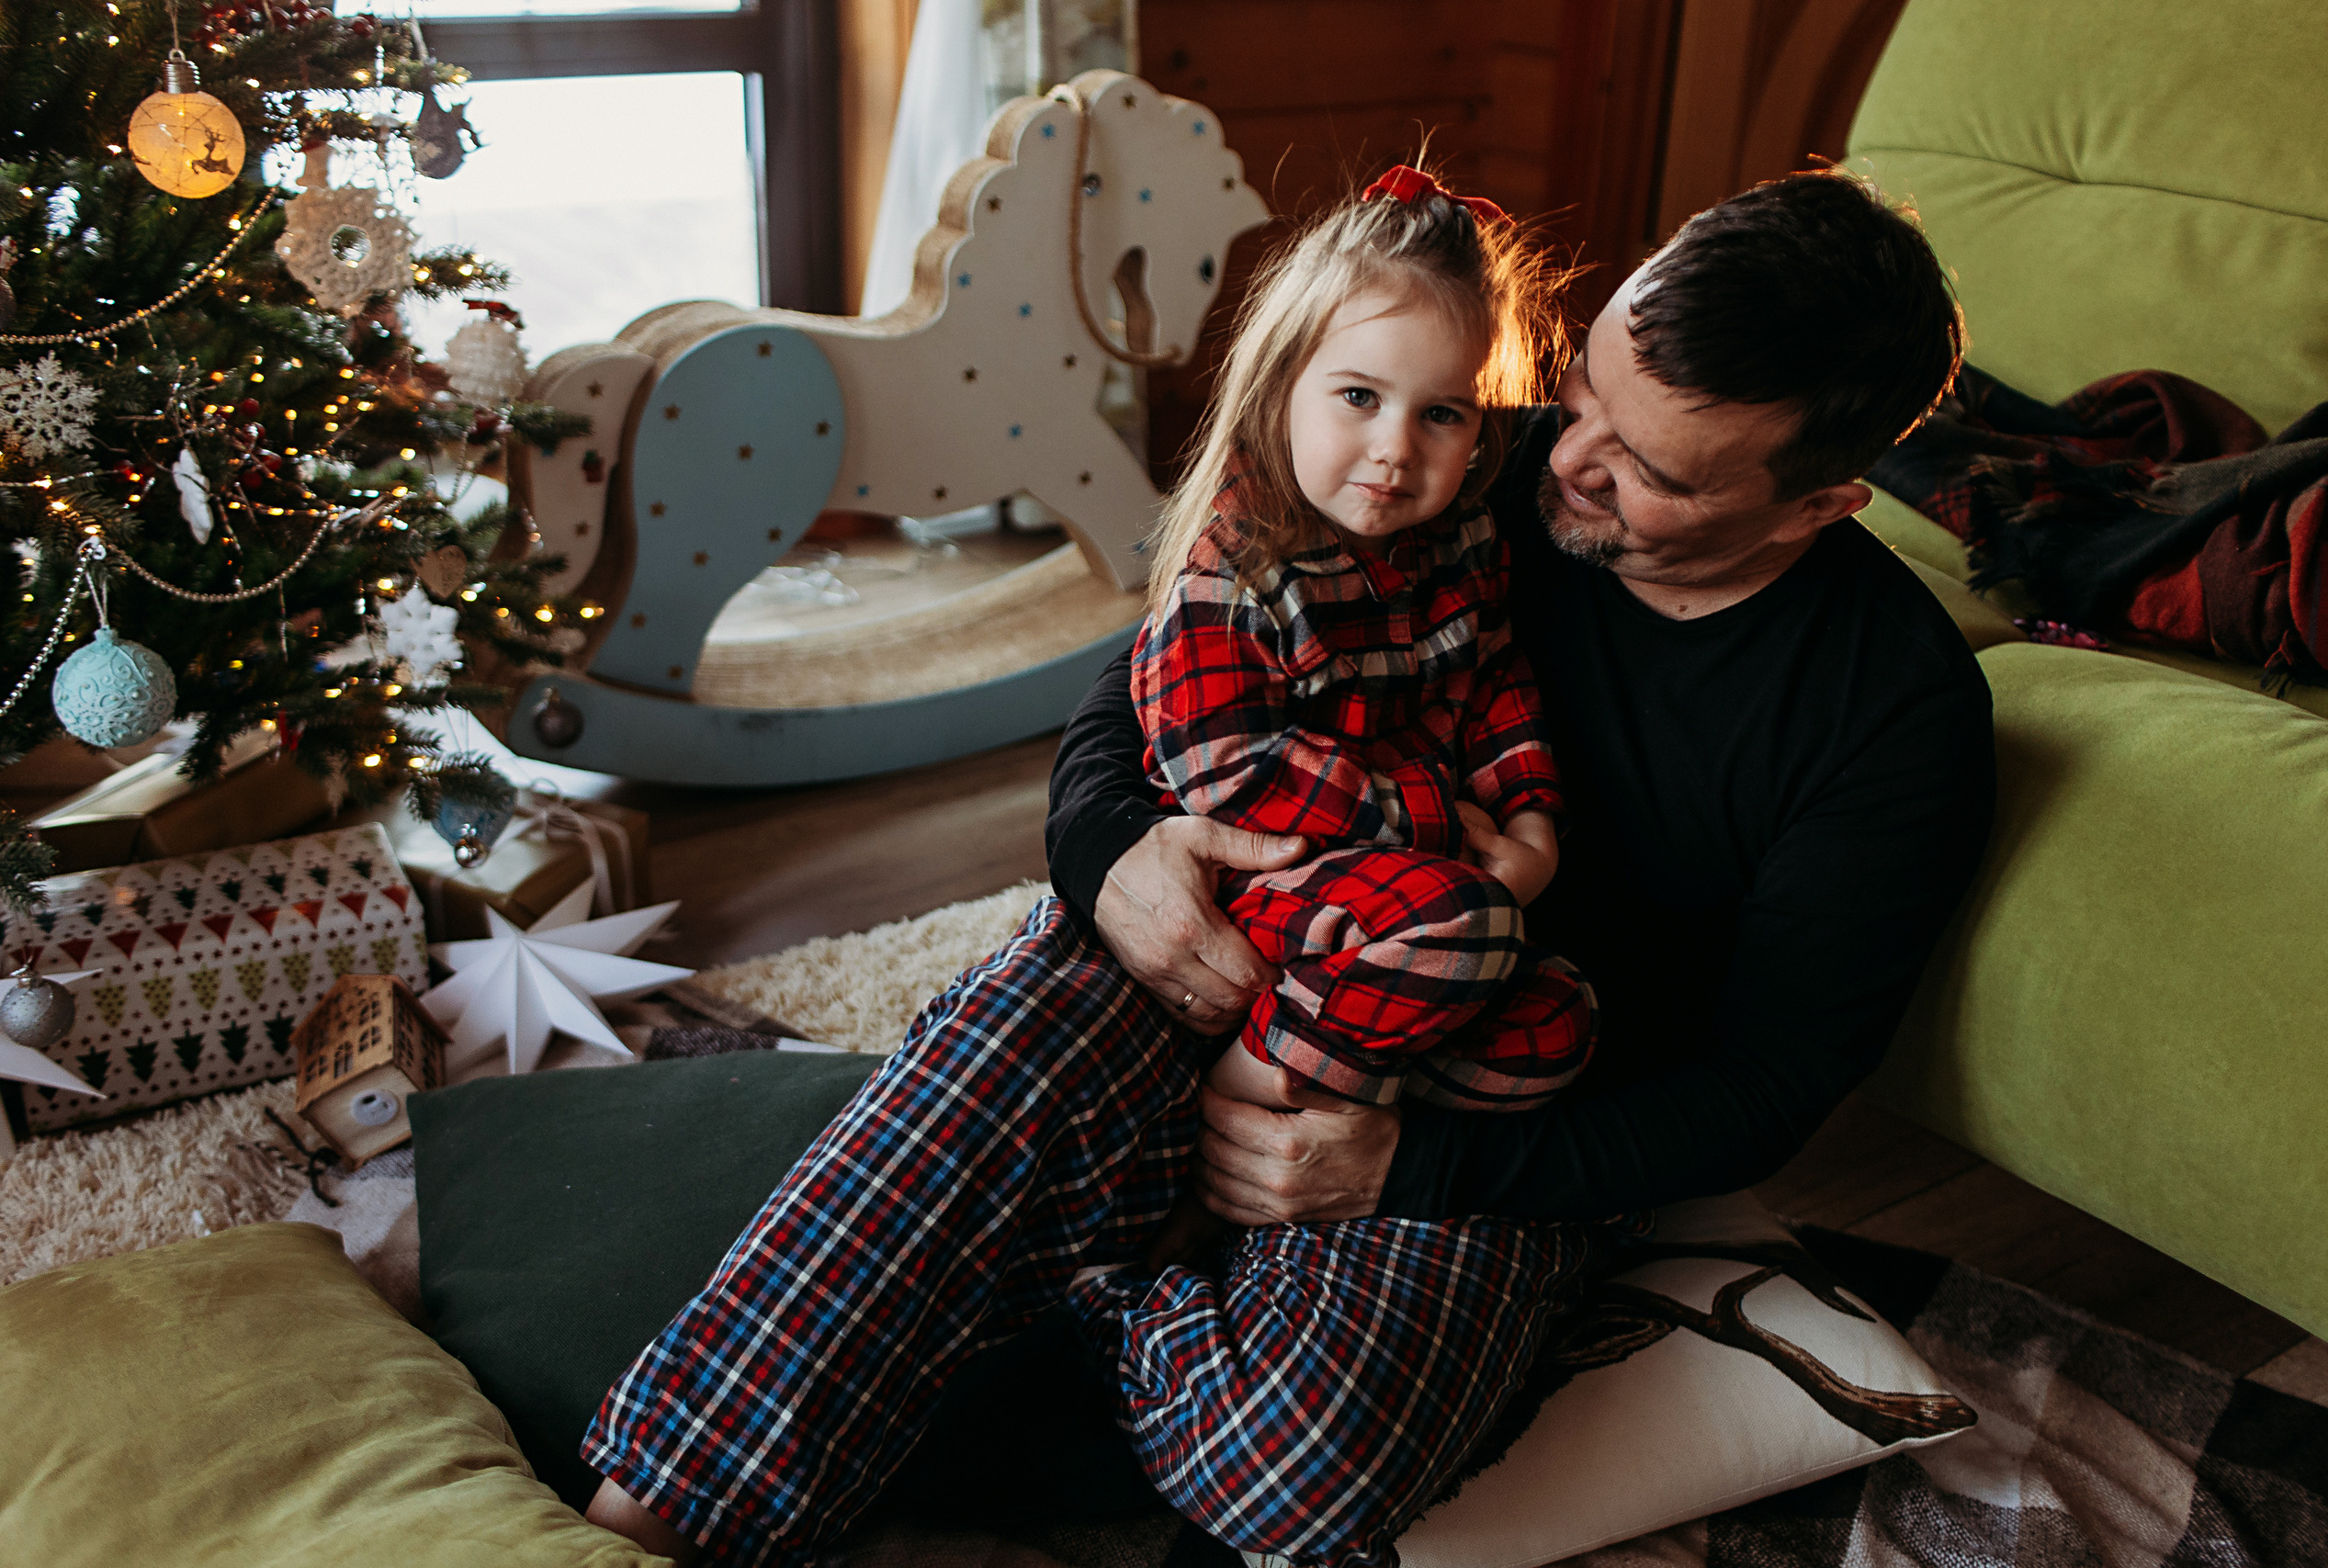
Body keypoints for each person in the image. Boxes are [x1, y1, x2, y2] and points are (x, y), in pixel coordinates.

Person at [584, 168, 1995, 1568]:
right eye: (1580, 397)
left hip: (1496, 1094)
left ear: (1820, 505)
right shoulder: (1451, 453)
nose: (1566, 461)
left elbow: (1767, 1088)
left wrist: (1406, 1164)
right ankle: (638, 1520)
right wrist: (1109, 855)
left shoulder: (1893, 717)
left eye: (1650, 469)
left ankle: (1087, 1273)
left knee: (1300, 1470)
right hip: (1258, 946)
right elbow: (1153, 679)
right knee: (1006, 1047)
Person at [1137, 165, 1597, 1163]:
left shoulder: (1460, 543)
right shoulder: (1240, 564)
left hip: (1409, 897)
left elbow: (1496, 686)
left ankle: (1344, 1078)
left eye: (1442, 414)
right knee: (1469, 928)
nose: (1395, 450)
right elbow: (1222, 766)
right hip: (1270, 884)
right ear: (1282, 385)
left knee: (1558, 1023)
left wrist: (1529, 826)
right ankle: (1238, 1096)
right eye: (1358, 396)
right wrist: (1437, 830)